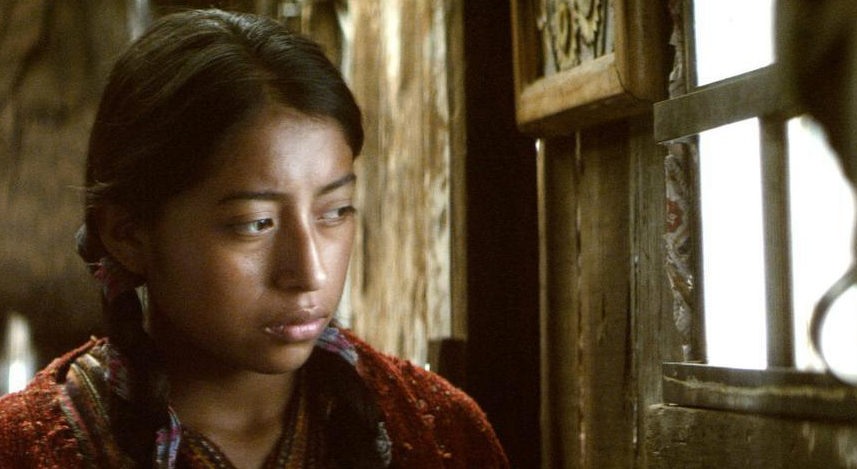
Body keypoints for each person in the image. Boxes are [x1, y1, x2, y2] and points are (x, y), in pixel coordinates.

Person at [0, 9, 508, 469]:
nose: (310, 272)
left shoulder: (441, 432)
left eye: (335, 212)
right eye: (255, 223)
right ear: (127, 233)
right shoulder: (23, 450)